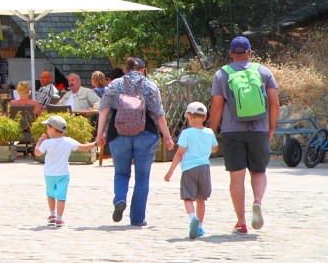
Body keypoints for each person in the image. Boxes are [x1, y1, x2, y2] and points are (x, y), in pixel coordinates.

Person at [209, 35, 279, 235]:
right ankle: (257, 202)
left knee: (236, 177)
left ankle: (241, 222)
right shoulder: (263, 71)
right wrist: (271, 127)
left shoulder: (222, 74)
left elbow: (216, 107)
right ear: (250, 53)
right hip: (259, 130)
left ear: (231, 54)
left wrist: (211, 132)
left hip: (232, 130)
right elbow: (274, 103)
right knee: (258, 171)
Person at [96, 57, 174, 227]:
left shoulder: (115, 85)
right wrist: (167, 137)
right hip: (145, 134)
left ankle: (120, 199)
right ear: (143, 70)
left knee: (121, 173)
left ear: (126, 69)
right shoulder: (149, 86)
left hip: (118, 134)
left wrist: (100, 135)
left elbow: (104, 110)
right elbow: (159, 114)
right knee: (142, 178)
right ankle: (137, 219)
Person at [164, 101, 219, 239]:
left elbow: (179, 154)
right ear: (205, 117)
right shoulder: (209, 132)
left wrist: (170, 172)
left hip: (189, 169)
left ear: (190, 116)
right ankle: (200, 226)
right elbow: (215, 148)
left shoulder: (186, 133)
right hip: (205, 169)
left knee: (188, 196)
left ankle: (192, 217)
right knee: (201, 198)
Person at [35, 115, 98, 228]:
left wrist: (39, 141)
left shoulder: (47, 143)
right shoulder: (68, 141)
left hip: (49, 174)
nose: (47, 130)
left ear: (52, 129)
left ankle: (52, 214)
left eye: (47, 128)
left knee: (50, 194)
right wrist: (96, 143)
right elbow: (83, 147)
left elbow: (37, 153)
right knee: (61, 196)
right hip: (64, 174)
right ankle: (59, 219)